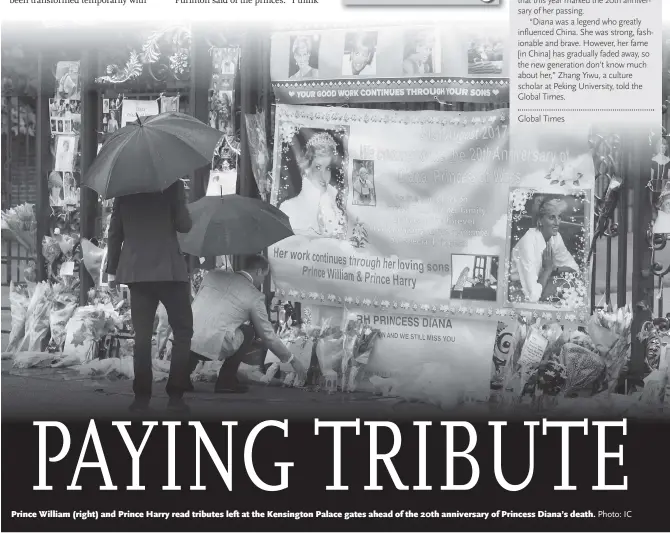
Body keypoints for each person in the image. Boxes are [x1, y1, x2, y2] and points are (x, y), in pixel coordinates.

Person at [106, 179, 194, 413]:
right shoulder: (172, 184)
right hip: (169, 270)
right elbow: (184, 225)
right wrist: (181, 203)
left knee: (142, 336)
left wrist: (112, 270)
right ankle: (175, 396)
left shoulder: (124, 189)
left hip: (137, 270)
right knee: (183, 331)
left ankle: (141, 398)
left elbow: (115, 232)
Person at [188, 254, 306, 393]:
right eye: (264, 276)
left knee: (200, 326)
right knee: (248, 331)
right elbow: (268, 336)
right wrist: (292, 360)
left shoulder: (212, 275)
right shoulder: (254, 296)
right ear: (258, 271)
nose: (262, 282)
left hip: (186, 339)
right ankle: (226, 381)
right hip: (213, 347)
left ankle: (183, 376)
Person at [509, 197, 579, 304]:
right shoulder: (528, 242)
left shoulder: (555, 237)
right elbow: (532, 296)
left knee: (574, 286)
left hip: (540, 284)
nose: (557, 223)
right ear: (540, 220)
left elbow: (574, 269)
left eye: (559, 217)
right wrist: (547, 269)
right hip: (519, 292)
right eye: (552, 218)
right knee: (569, 292)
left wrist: (554, 269)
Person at [279, 131, 345, 237]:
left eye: (327, 168)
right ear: (307, 168)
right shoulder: (288, 208)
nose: (323, 175)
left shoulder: (337, 211)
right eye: (318, 167)